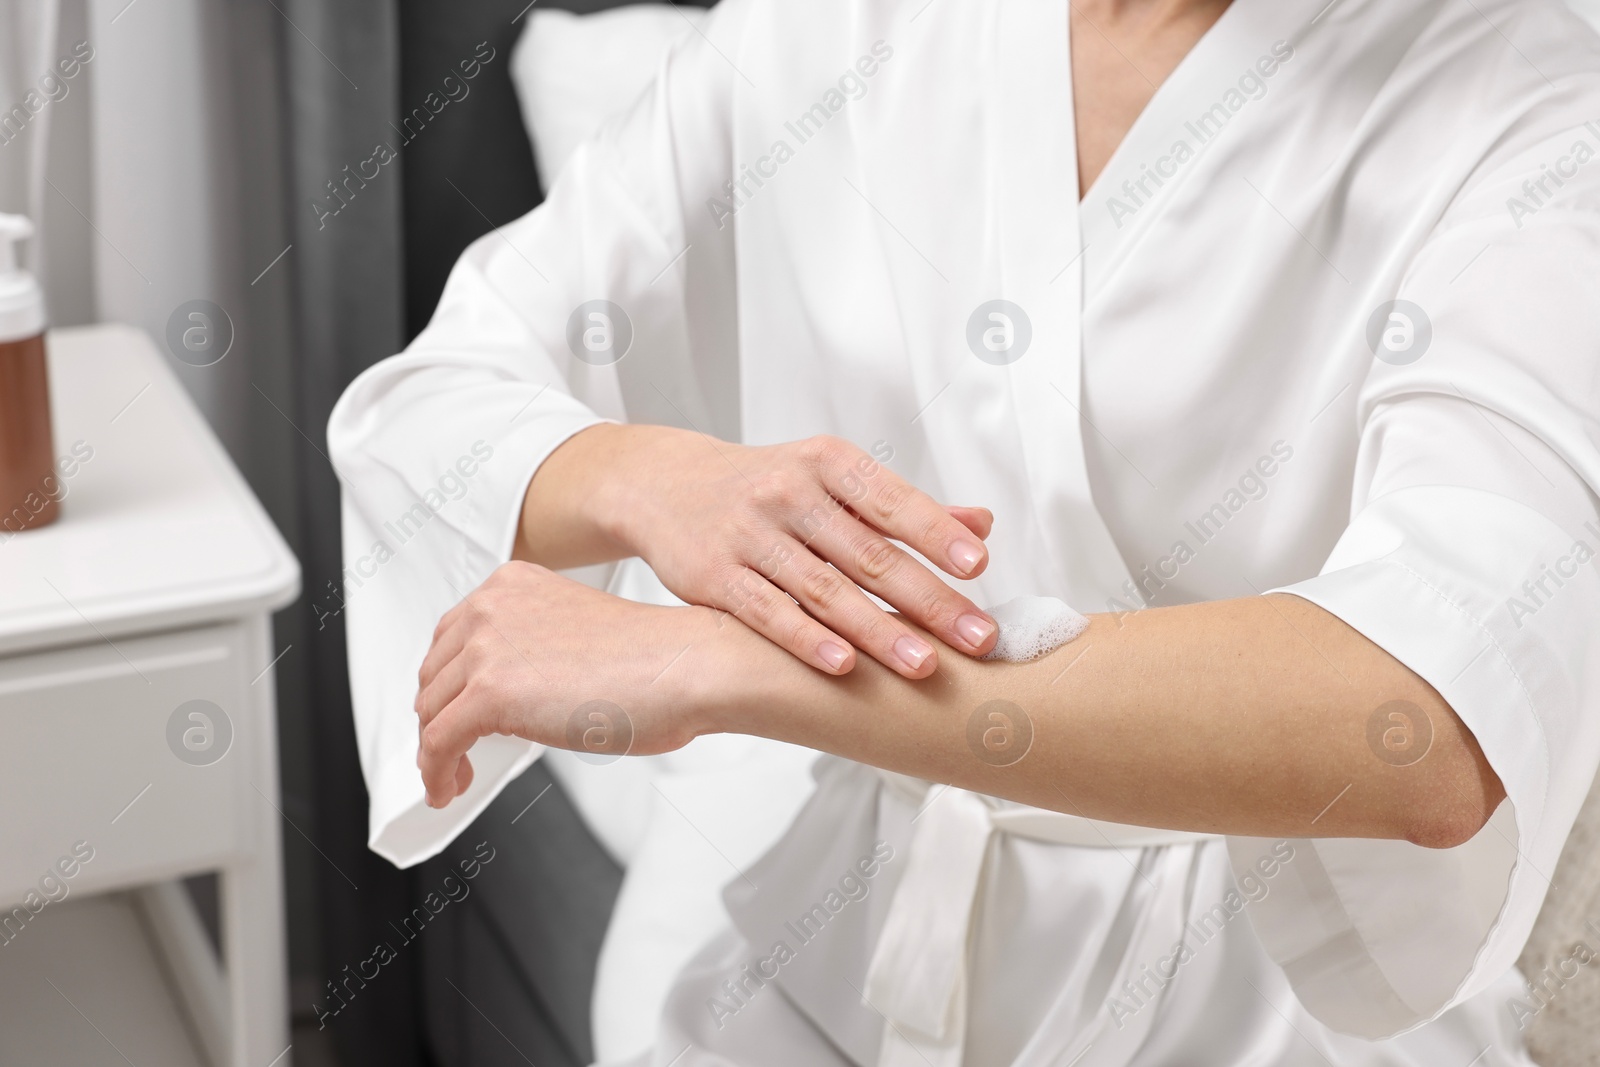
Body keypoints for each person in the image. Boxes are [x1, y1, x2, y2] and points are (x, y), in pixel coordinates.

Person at [328, 0, 1600, 1063]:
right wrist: (646, 471)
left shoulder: (1537, 99)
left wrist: (749, 665)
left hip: (1273, 1000)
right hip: (837, 932)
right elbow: (427, 400)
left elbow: (1428, 721)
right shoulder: (843, 26)